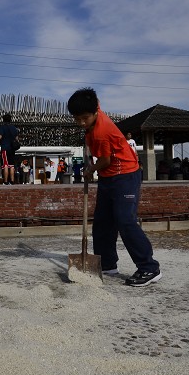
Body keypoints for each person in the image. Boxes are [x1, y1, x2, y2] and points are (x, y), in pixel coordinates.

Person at [68, 87, 162, 287]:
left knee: (124, 220)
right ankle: (108, 264)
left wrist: (89, 169)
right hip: (108, 178)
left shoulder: (102, 131)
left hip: (125, 175)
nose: (82, 123)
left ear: (95, 112)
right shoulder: (93, 113)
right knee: (102, 222)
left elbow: (104, 160)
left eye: (85, 118)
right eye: (77, 119)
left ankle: (149, 267)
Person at [0, 113, 19, 185]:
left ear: (3, 120)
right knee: (12, 165)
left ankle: (6, 181)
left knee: (5, 165)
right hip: (12, 149)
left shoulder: (2, 127)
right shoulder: (14, 128)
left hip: (5, 148)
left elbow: (0, 137)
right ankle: (12, 180)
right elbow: (16, 138)